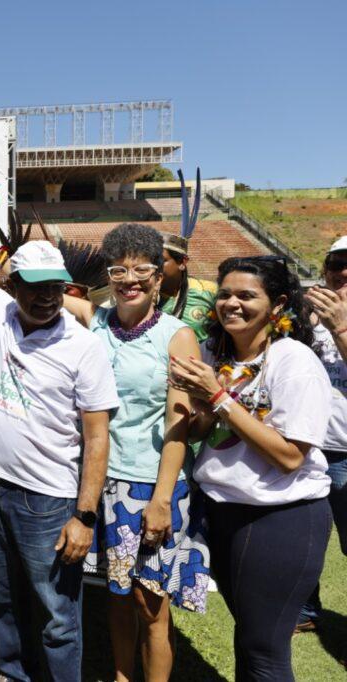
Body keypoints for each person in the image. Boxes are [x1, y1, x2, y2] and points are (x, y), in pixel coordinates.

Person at [0, 214, 118, 682]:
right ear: (12, 284)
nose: (45, 297)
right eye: (34, 286)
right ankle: (13, 673)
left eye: (54, 288)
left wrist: (83, 516)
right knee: (0, 593)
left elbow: (98, 436)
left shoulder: (84, 347)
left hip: (49, 499)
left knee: (58, 612)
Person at [170, 255, 333, 680]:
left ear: (277, 305)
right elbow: (200, 432)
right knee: (248, 636)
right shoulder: (212, 352)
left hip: (282, 518)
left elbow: (290, 456)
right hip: (223, 512)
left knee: (264, 647)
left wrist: (220, 398)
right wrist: (204, 404)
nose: (232, 304)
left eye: (247, 295)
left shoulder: (294, 361)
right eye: (224, 294)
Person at [63, 224, 209, 682]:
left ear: (159, 279)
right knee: (116, 595)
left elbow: (180, 425)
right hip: (101, 483)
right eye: (119, 269)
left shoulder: (177, 336)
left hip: (151, 486)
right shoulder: (98, 320)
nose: (129, 279)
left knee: (151, 605)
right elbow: (33, 287)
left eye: (141, 269)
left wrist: (162, 499)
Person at [295, 237, 347, 632]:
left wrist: (340, 327)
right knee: (306, 540)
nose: (342, 273)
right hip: (307, 445)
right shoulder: (312, 315)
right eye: (335, 264)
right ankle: (307, 611)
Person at [159, 169, 216, 341]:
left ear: (182, 262)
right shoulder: (141, 295)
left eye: (161, 260)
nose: (153, 267)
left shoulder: (210, 292)